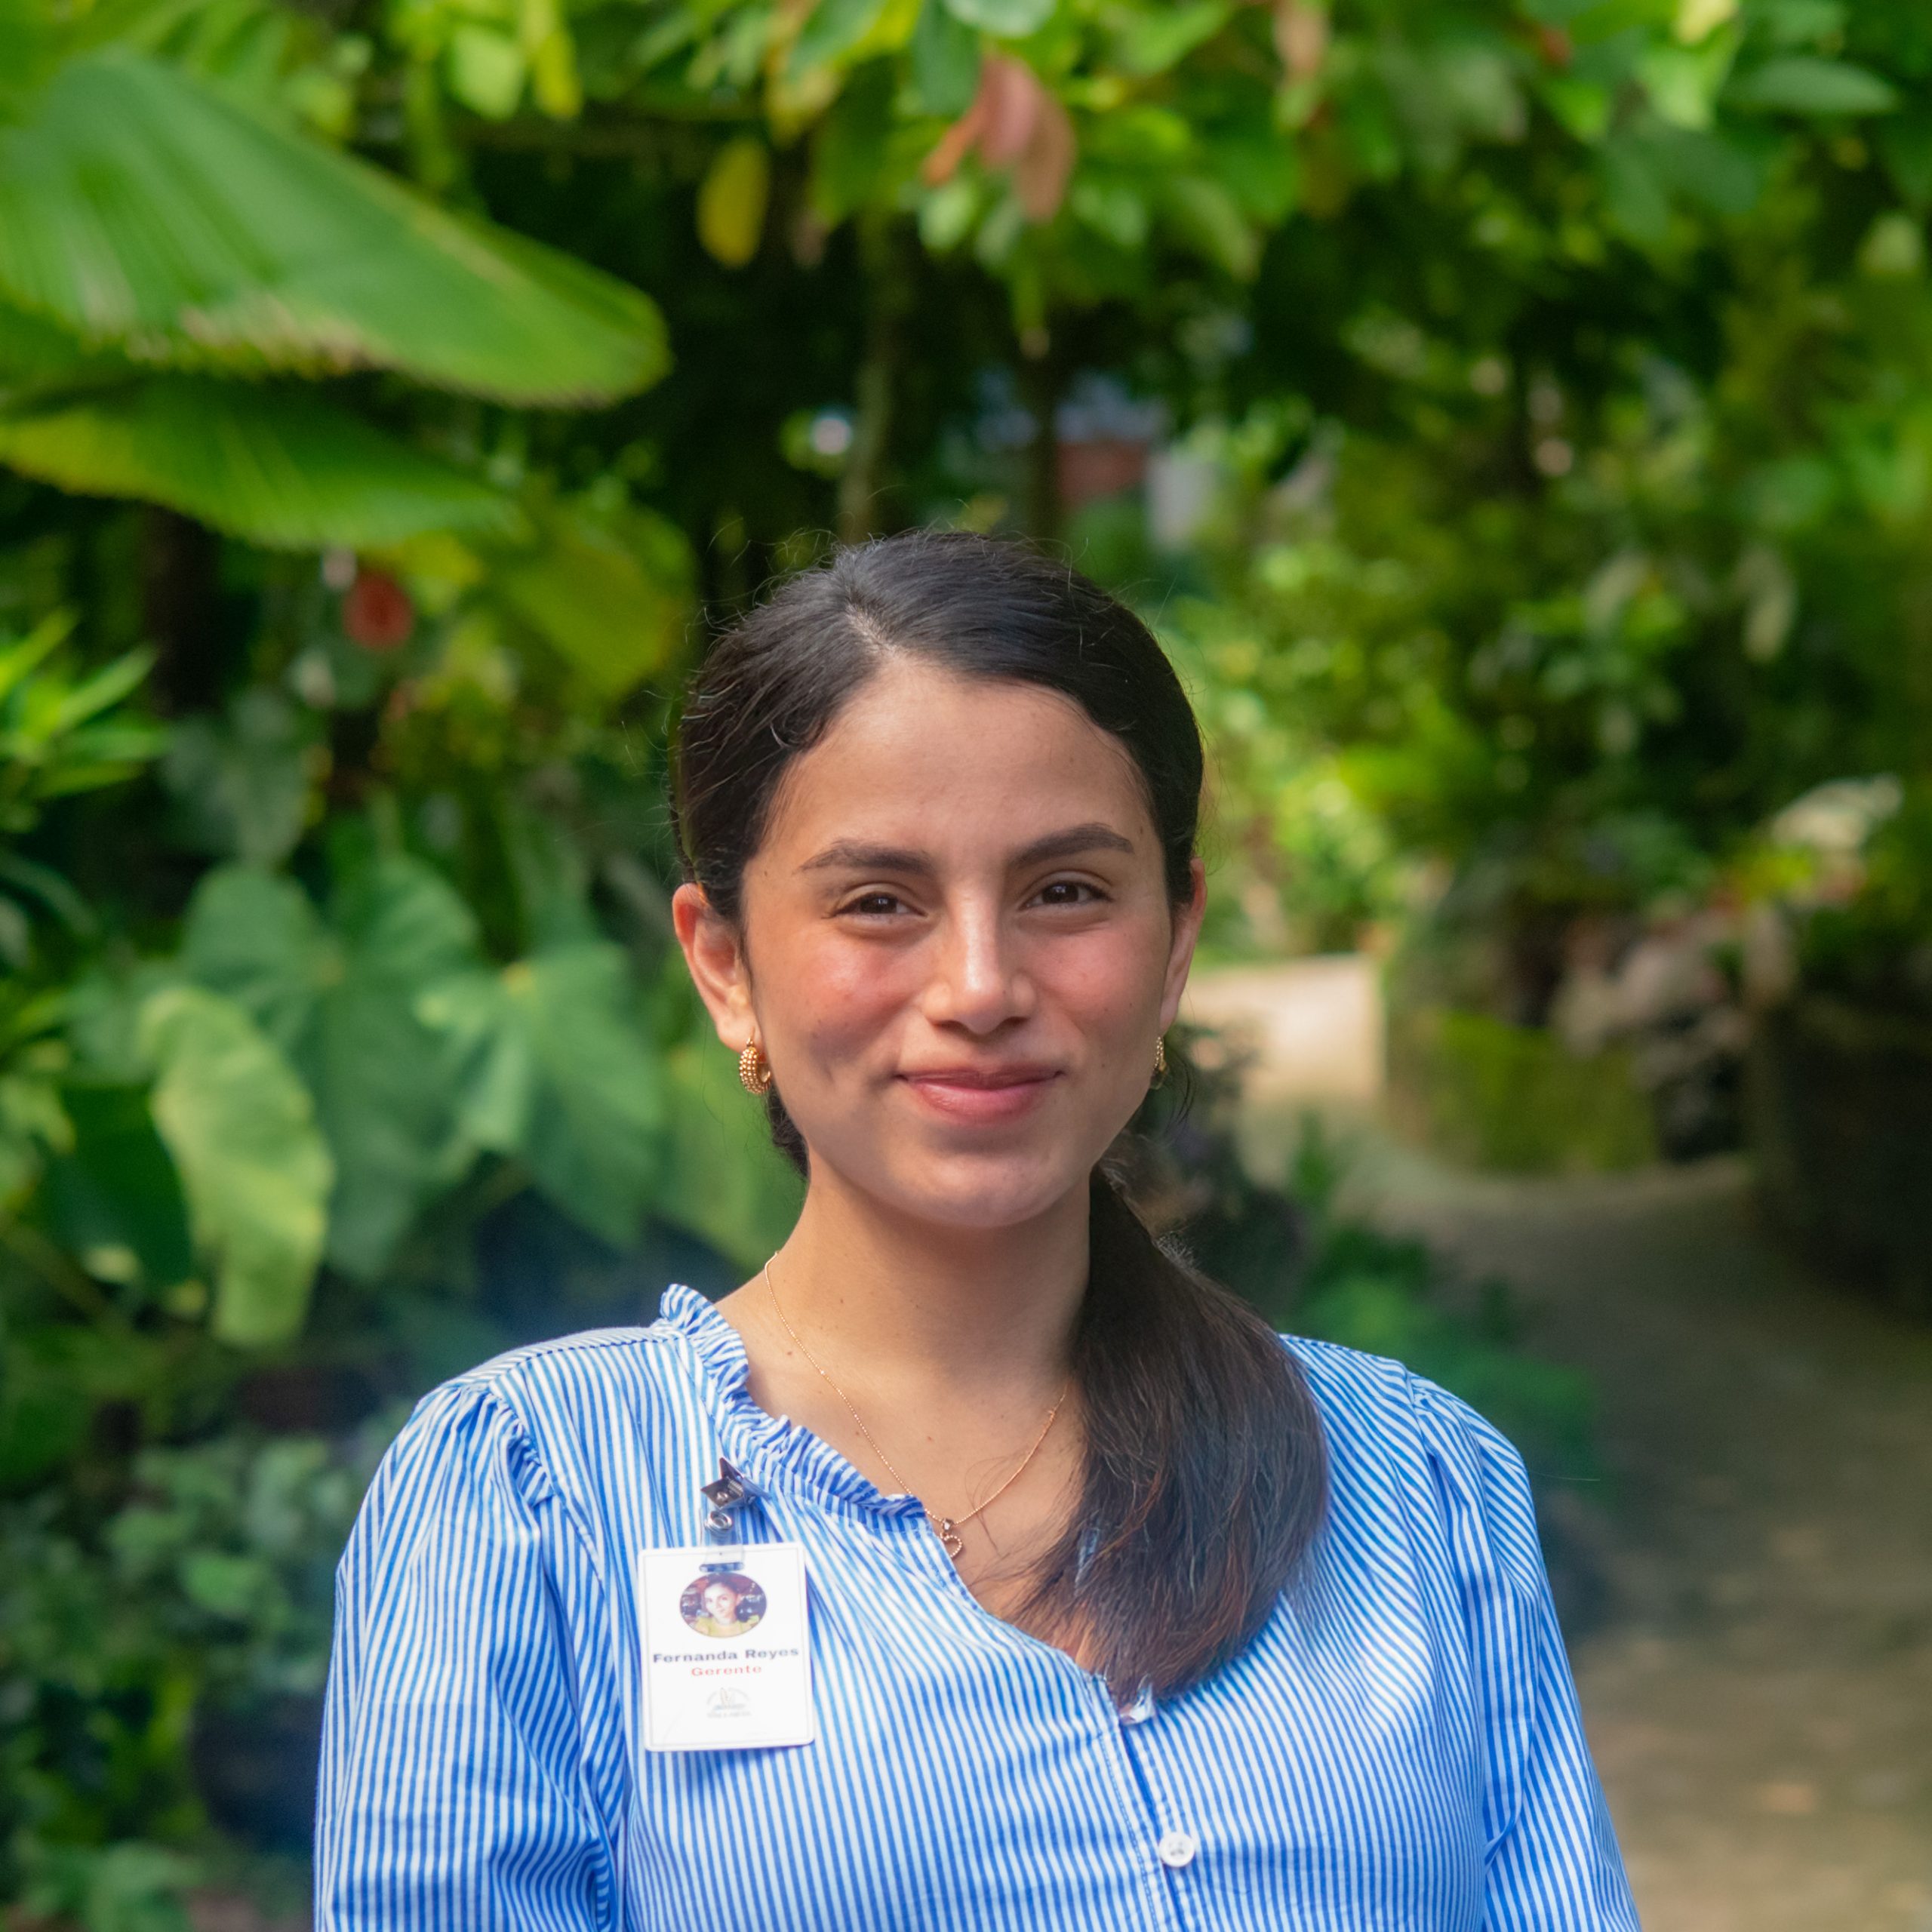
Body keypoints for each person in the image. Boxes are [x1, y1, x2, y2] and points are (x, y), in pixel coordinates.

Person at [315, 531, 1638, 1930]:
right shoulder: (533, 1499)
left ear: (1177, 937)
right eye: (878, 902)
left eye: (1065, 891)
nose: (980, 985)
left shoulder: (1415, 1487)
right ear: (725, 964)